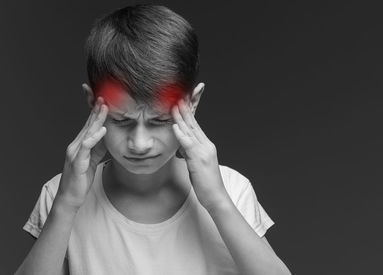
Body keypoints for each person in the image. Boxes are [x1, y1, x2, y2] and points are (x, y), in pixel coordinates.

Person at [15, 4, 291, 275]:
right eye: (122, 121)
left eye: (160, 121)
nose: (140, 143)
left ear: (192, 102)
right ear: (92, 101)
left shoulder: (231, 190)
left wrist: (216, 200)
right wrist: (65, 205)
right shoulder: (59, 195)